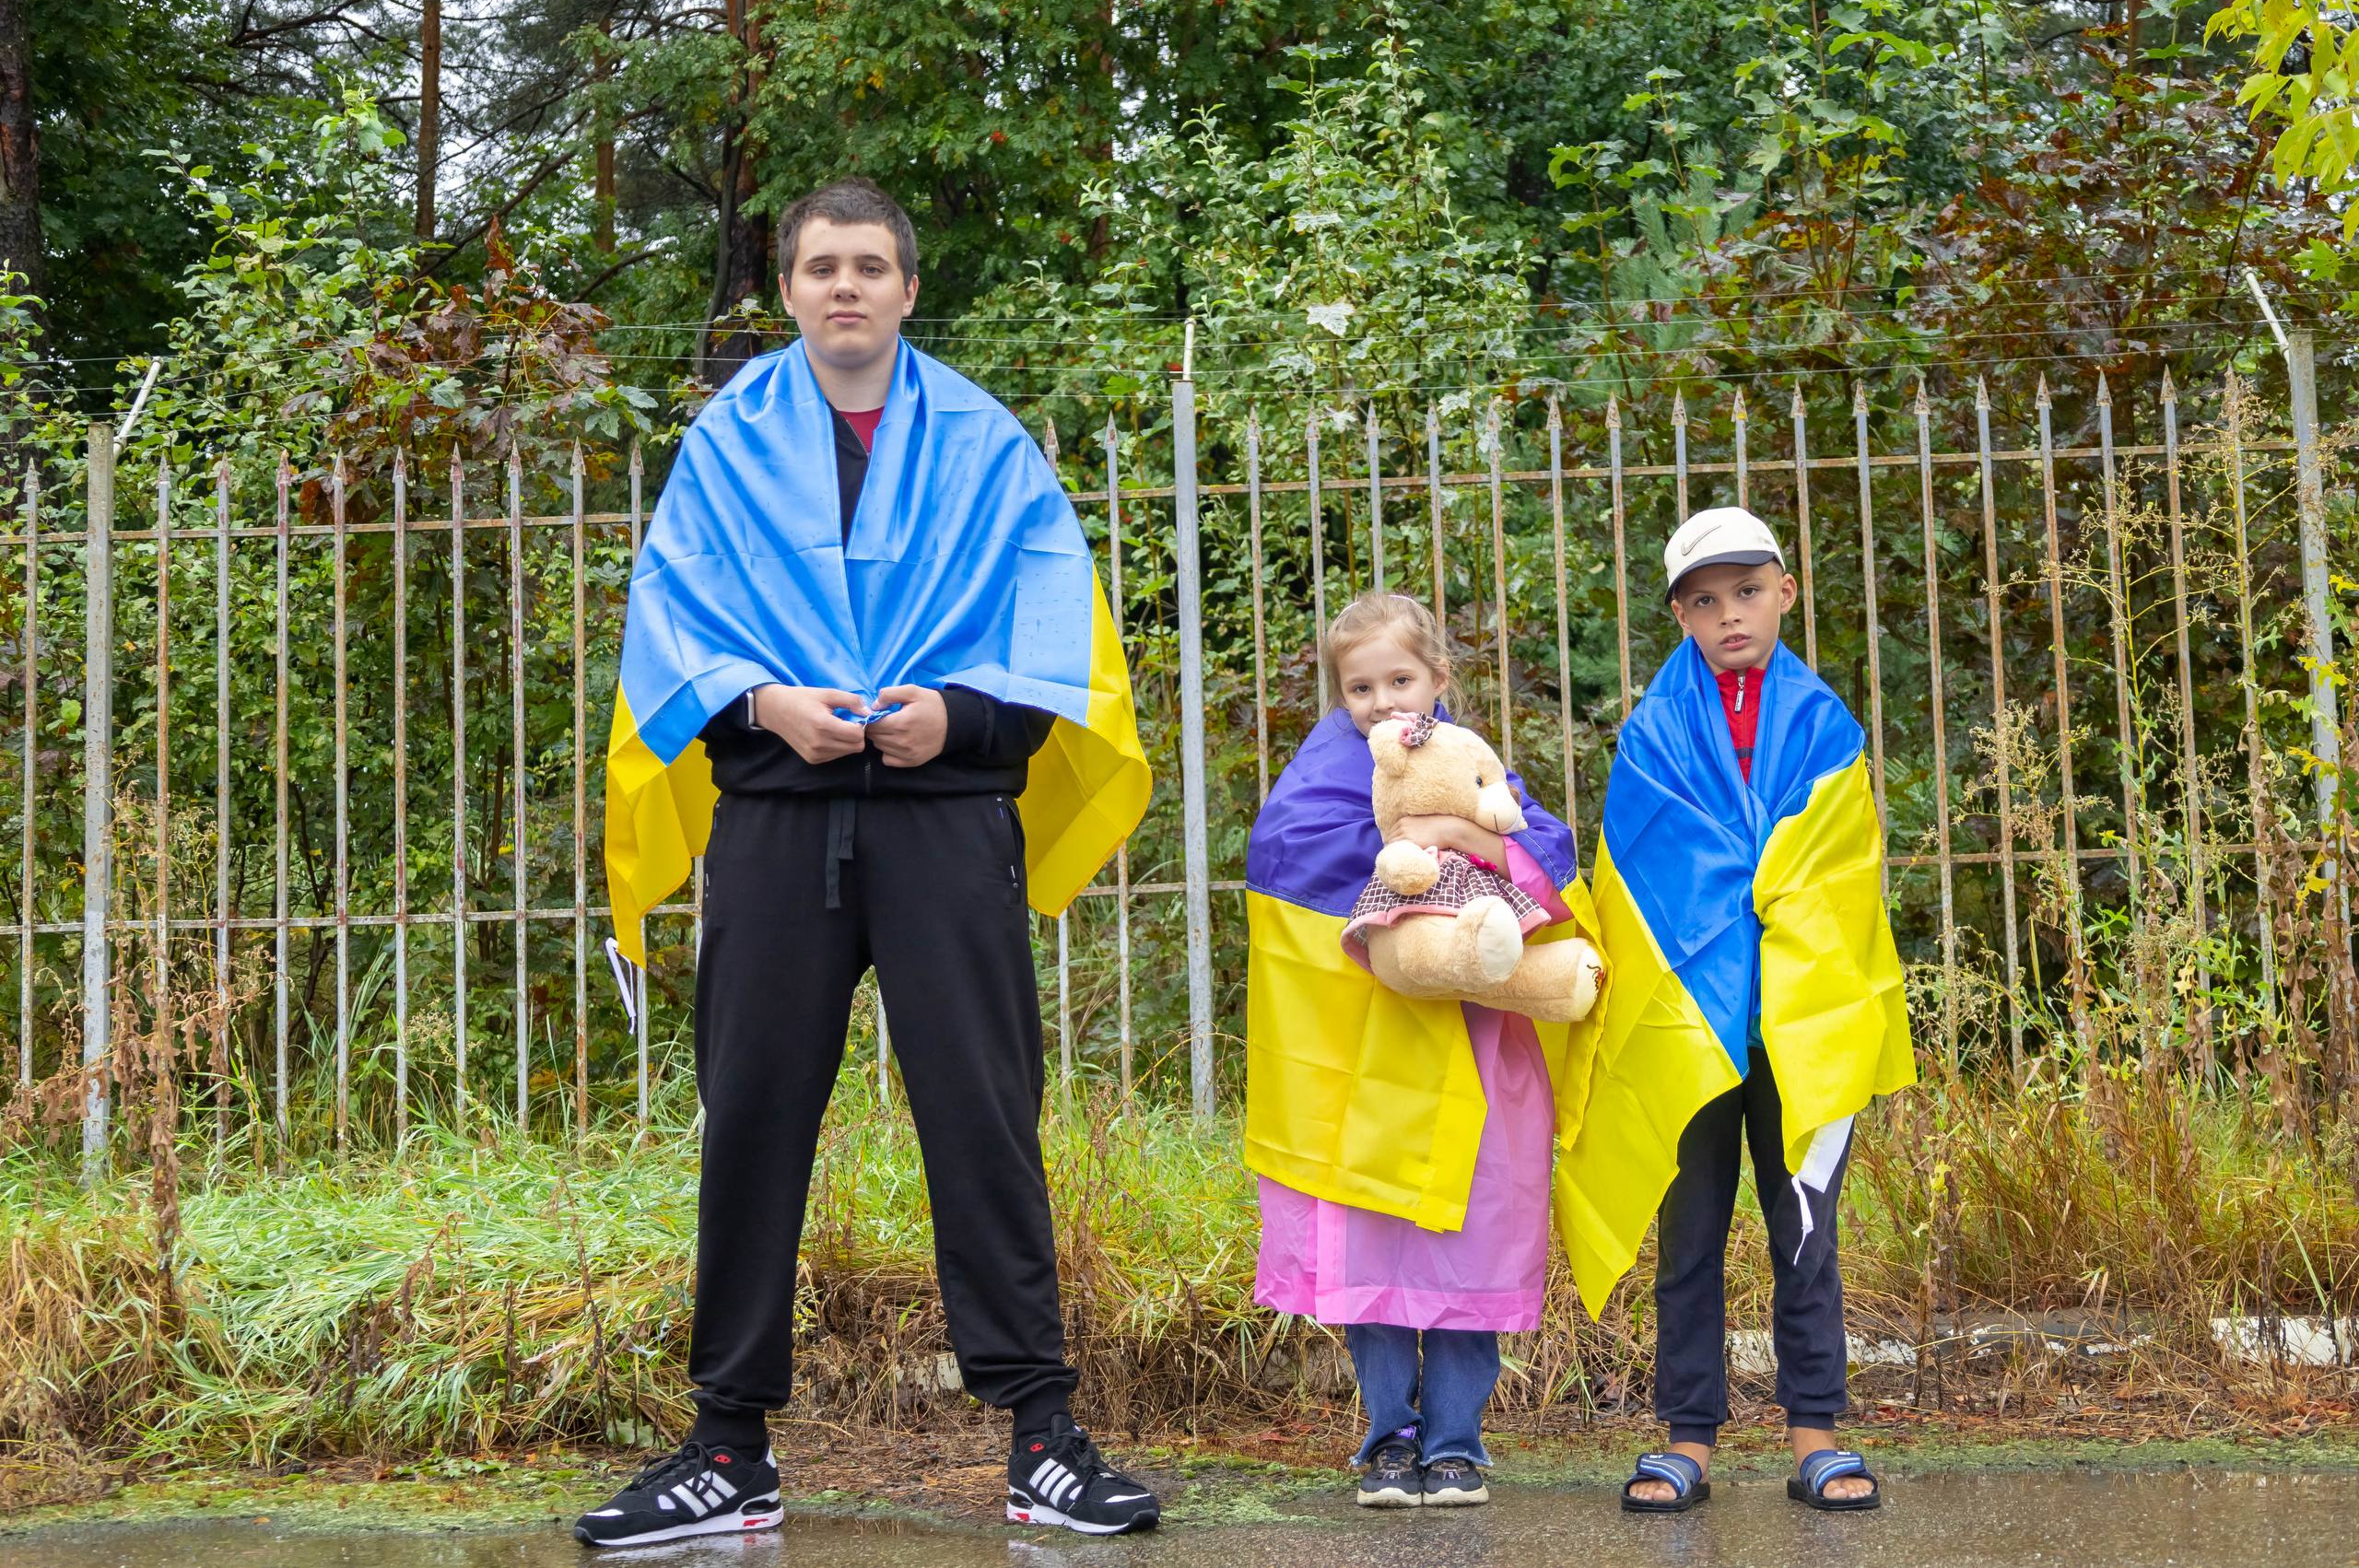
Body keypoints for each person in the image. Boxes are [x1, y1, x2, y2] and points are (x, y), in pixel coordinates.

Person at [583, 178, 1160, 1547]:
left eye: (869, 265)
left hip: (944, 818)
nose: (845, 285)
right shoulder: (726, 445)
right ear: (786, 289)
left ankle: (1042, 1437)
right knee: (752, 1119)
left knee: (983, 1118)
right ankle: (729, 1446)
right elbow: (674, 625)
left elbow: (1050, 637)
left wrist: (958, 717)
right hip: (777, 820)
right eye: (821, 266)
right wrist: (759, 703)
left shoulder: (987, 444)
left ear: (907, 286)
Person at [1552, 506, 1916, 1516]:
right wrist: (1752, 875)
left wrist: (1770, 878)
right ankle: (1688, 1440)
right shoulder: (1653, 731)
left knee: (1805, 1236)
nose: (1730, 616)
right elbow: (1643, 867)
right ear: (1680, 615)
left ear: (1785, 592)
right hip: (1689, 1027)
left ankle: (1817, 1437)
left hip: (1801, 1025)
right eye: (1705, 601)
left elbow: (1838, 865)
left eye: (1748, 591)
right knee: (1690, 1239)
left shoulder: (1826, 725)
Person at [1244, 591, 1603, 1510]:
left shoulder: (1466, 757)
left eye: (1399, 679)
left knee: (1466, 1248)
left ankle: (1455, 1444)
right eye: (1359, 686)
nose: (1380, 701)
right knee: (1372, 1256)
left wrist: (1450, 834)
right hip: (1365, 1057)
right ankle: (1387, 1439)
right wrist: (1415, 847)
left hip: (1469, 1053)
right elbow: (1286, 848)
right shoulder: (1321, 773)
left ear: (1438, 678)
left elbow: (1546, 849)